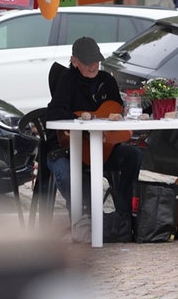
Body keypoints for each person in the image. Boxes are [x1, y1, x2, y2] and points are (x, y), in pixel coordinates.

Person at [46, 36, 143, 240]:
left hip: (102, 146)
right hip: (69, 148)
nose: (93, 66)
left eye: (96, 61)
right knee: (68, 174)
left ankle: (124, 216)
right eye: (88, 62)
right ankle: (84, 218)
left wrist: (116, 117)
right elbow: (54, 113)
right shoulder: (67, 80)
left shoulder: (107, 80)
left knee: (132, 155)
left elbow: (116, 108)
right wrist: (84, 118)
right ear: (74, 61)